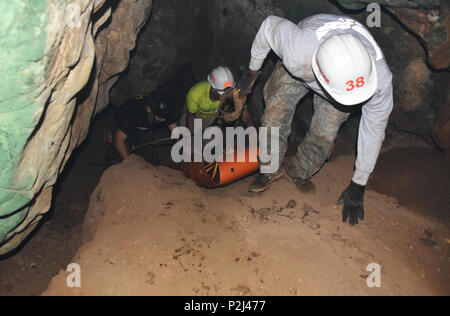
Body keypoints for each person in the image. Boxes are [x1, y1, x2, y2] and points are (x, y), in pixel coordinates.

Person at [246, 14, 394, 226]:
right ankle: (269, 170)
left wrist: (359, 182)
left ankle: (300, 172)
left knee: (326, 131)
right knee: (274, 115)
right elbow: (268, 26)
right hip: (301, 68)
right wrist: (252, 72)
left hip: (341, 79)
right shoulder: (298, 51)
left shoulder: (379, 80)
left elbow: (374, 129)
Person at [182, 66, 254, 132]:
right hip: (195, 116)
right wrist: (191, 135)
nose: (226, 95)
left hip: (215, 117)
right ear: (213, 89)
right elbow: (191, 117)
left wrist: (253, 131)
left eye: (228, 92)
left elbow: (244, 113)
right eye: (223, 93)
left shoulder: (231, 95)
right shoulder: (196, 94)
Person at [113, 92, 178, 164]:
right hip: (123, 129)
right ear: (149, 109)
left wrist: (183, 149)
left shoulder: (165, 111)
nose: (163, 120)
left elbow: (175, 130)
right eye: (160, 116)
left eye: (164, 117)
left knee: (149, 158)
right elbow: (119, 142)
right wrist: (130, 165)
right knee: (122, 156)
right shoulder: (131, 111)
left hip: (144, 131)